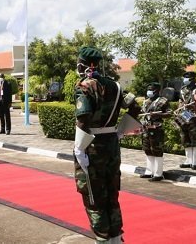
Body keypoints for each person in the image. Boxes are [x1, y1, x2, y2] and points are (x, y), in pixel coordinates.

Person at [73, 46, 140, 244]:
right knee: (112, 195)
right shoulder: (115, 86)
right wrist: (120, 130)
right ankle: (116, 239)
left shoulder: (85, 86)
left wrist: (79, 149)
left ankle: (102, 240)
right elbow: (135, 106)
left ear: (82, 63)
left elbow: (83, 119)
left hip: (92, 147)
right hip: (112, 146)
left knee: (94, 198)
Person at [139, 82, 171, 181]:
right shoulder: (146, 101)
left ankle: (158, 174)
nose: (149, 91)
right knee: (147, 150)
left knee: (157, 151)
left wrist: (158, 115)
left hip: (157, 129)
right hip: (146, 129)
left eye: (151, 89)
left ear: (156, 90)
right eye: (148, 88)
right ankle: (149, 171)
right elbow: (142, 112)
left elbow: (169, 113)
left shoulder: (163, 101)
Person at [175, 71, 196, 170]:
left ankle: (195, 161)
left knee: (195, 139)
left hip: (195, 116)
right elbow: (180, 101)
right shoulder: (183, 89)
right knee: (185, 138)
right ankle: (188, 160)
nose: (185, 80)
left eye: (187, 78)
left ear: (192, 79)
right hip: (184, 116)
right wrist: (178, 111)